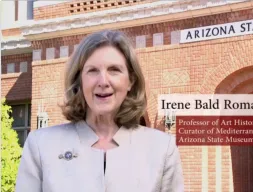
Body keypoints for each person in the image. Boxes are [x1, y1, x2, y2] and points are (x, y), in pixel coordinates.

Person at [15, 30, 184, 192]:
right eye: (93, 71)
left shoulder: (162, 149)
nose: (103, 81)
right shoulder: (41, 145)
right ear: (79, 80)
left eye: (114, 70)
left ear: (130, 81)